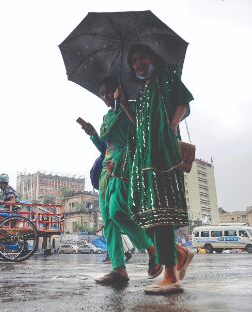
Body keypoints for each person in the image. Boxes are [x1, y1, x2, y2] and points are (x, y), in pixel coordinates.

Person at [117, 43, 195, 295]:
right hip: (145, 159)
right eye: (134, 61)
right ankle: (179, 254)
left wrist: (172, 125)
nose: (138, 63)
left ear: (153, 58)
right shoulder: (142, 92)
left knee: (162, 213)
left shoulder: (166, 77)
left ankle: (171, 275)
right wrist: (124, 105)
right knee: (147, 212)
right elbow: (139, 124)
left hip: (163, 154)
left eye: (142, 58)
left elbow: (184, 100)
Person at [80, 76, 161, 286]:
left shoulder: (130, 109)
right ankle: (119, 269)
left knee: (118, 212)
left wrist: (124, 103)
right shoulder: (107, 118)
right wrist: (93, 134)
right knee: (109, 223)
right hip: (106, 174)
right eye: (102, 94)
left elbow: (140, 134)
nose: (105, 97)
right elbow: (106, 148)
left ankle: (152, 249)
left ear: (118, 89)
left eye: (108, 91)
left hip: (124, 170)